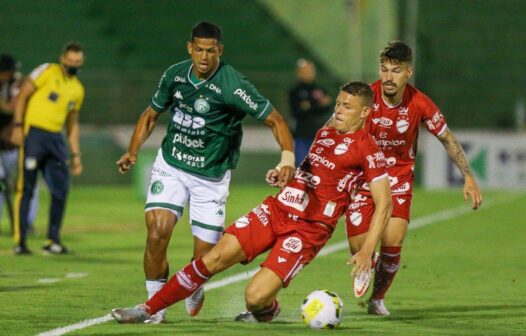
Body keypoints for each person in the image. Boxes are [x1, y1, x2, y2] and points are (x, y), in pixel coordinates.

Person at [110, 81, 393, 324]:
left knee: (254, 298)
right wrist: (286, 174)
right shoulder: (327, 129)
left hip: (307, 230)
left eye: (347, 107)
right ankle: (147, 309)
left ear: (365, 112)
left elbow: (385, 204)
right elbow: (315, 170)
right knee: (213, 258)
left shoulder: (367, 148)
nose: (338, 111)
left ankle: (266, 310)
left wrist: (368, 250)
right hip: (277, 210)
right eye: (339, 104)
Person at [115, 21, 295, 323]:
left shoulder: (233, 85)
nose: (204, 57)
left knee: (204, 260)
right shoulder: (174, 75)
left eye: (211, 51)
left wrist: (287, 158)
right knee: (157, 232)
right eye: (199, 49)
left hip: (210, 178)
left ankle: (195, 285)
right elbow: (150, 115)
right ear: (190, 48)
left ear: (219, 50)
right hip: (171, 166)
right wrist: (132, 151)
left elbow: (275, 120)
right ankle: (154, 307)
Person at [343, 41, 483, 316]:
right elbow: (335, 127)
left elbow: (447, 138)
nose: (388, 77)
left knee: (392, 240)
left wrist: (468, 175)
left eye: (396, 71)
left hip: (398, 177)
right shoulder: (367, 97)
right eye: (384, 70)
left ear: (409, 72)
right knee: (360, 249)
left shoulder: (419, 103)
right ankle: (366, 260)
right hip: (364, 177)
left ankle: (377, 299)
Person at [11, 43, 85, 255]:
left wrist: (75, 154)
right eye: (70, 61)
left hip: (56, 139)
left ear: (82, 63)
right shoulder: (46, 71)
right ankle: (20, 242)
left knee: (61, 190)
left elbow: (72, 124)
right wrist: (18, 126)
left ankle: (52, 240)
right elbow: (23, 96)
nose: (73, 65)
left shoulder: (78, 89)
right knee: (26, 188)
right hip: (34, 134)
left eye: (77, 62)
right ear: (63, 58)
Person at [0, 53, 38, 234]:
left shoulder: (21, 83)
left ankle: (27, 222)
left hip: (18, 144)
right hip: (4, 145)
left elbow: (14, 107)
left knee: (28, 182)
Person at [288, 59, 332, 167]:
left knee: (321, 166)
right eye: (305, 71)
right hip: (302, 135)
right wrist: (318, 105)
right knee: (301, 166)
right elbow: (297, 112)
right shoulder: (295, 92)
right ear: (299, 73)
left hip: (320, 135)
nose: (308, 73)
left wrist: (309, 106)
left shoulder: (320, 89)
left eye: (310, 70)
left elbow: (328, 107)